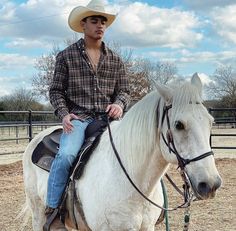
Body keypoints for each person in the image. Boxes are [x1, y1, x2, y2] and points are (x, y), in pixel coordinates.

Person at [44, 0, 130, 230]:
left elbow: (123, 91)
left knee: (137, 150)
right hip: (79, 119)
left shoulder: (115, 59)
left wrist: (120, 104)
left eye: (103, 21)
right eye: (94, 20)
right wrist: (64, 113)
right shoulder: (66, 56)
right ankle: (52, 211)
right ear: (83, 25)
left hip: (108, 119)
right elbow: (55, 90)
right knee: (66, 155)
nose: (100, 25)